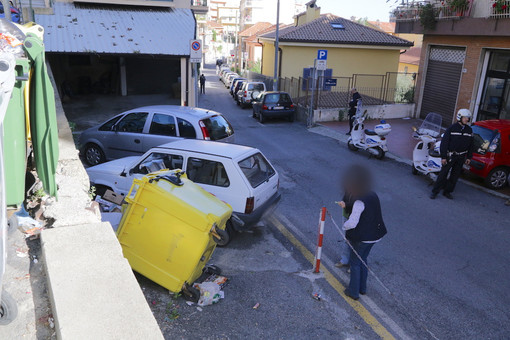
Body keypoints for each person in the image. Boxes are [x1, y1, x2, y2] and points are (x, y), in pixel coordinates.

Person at [341, 165, 387, 300]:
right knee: (363, 260)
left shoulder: (359, 201)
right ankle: (362, 288)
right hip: (375, 236)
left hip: (362, 237)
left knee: (355, 263)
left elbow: (352, 222)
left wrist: (344, 226)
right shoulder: (372, 194)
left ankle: (353, 292)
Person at [430, 109, 474, 200]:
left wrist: (469, 157)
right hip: (450, 156)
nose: (467, 119)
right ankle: (435, 192)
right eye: (465, 117)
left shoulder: (469, 130)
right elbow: (444, 143)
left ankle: (447, 191)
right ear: (459, 117)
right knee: (443, 174)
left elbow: (471, 145)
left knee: (455, 175)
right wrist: (443, 157)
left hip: (461, 157)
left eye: (468, 118)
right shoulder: (451, 128)